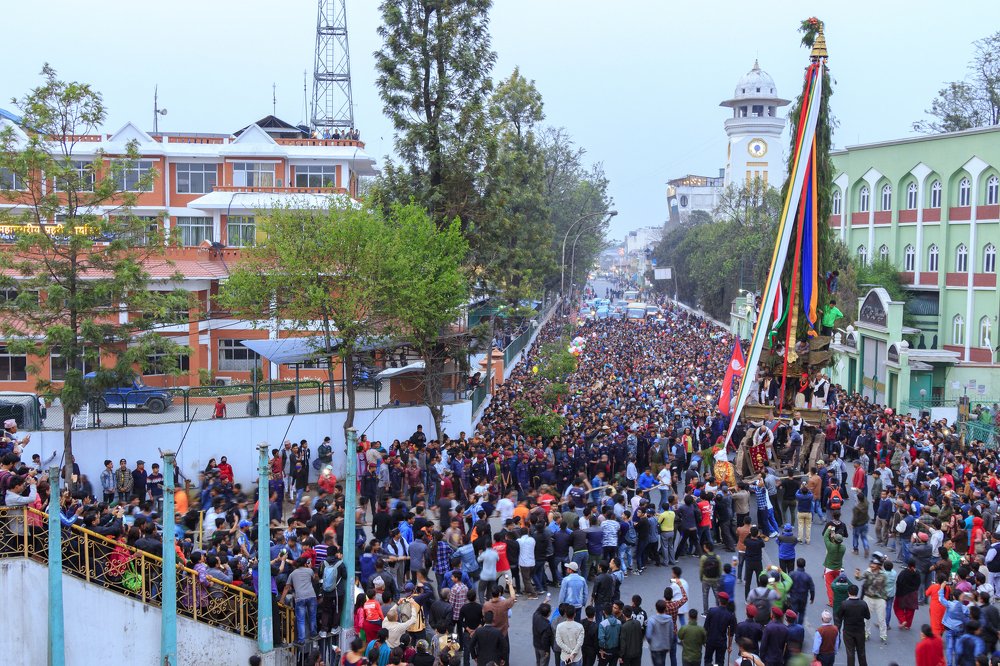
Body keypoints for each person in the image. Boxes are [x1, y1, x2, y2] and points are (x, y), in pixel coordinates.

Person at [280, 556, 318, 645]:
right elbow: (316, 579)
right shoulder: (310, 571)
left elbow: (286, 587)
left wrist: (282, 599)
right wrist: (310, 568)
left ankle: (301, 640)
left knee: (301, 619)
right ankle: (313, 634)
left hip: (300, 598)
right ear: (305, 563)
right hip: (311, 596)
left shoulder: (292, 574)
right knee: (312, 616)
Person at [855, 554, 889, 644]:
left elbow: (885, 587)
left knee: (881, 619)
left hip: (880, 599)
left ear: (878, 565)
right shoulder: (868, 572)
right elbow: (859, 578)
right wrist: (857, 575)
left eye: (874, 564)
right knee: (866, 618)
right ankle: (866, 633)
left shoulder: (884, 575)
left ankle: (883, 636)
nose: (871, 565)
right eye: (871, 563)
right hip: (868, 598)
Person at [836, 584, 870, 666]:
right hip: (860, 630)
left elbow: (839, 616)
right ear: (857, 592)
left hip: (848, 631)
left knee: (850, 653)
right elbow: (868, 616)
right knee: (861, 652)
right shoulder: (863, 603)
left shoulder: (844, 604)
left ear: (848, 593)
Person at [702, 592, 735, 666]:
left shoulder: (711, 611)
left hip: (710, 640)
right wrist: (729, 646)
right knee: (720, 662)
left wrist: (704, 640)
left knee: (708, 660)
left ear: (719, 600)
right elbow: (730, 634)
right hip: (721, 641)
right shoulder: (730, 615)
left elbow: (705, 627)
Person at [646, 599, 675, 666]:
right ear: (665, 608)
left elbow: (648, 635)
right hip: (665, 646)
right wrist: (669, 644)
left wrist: (651, 643)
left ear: (656, 608)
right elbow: (671, 634)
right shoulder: (669, 619)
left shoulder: (651, 620)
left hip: (655, 647)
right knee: (662, 662)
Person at [597, 601, 623, 666]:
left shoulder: (602, 624)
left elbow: (601, 639)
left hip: (606, 651)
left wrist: (602, 649)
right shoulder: (619, 622)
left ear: (604, 612)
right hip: (615, 651)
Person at [533, 602, 554, 666]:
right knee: (544, 662)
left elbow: (538, 610)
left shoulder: (535, 616)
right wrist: (546, 651)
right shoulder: (547, 625)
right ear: (549, 614)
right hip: (543, 648)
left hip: (536, 644)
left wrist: (545, 601)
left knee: (538, 661)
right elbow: (545, 640)